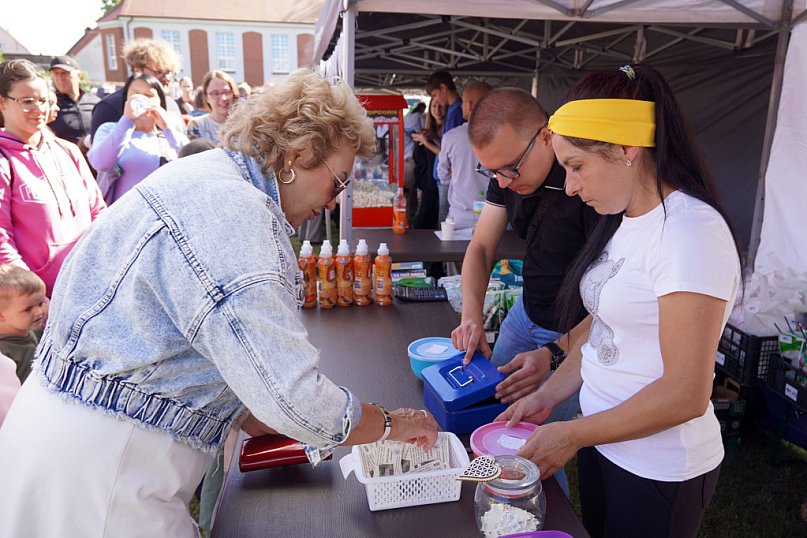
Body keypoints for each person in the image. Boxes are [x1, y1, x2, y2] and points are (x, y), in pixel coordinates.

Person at [0, 69, 439, 537]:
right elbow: (296, 399)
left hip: (68, 441)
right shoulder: (236, 215)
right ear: (296, 155)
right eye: (338, 182)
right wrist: (393, 423)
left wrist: (251, 410)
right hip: (106, 474)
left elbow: (186, 340)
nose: (335, 202)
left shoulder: (206, 176)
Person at [497, 65, 742, 538]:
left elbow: (686, 393)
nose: (568, 186)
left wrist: (569, 435)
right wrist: (548, 395)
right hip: (605, 443)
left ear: (628, 149)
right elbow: (605, 327)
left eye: (576, 166)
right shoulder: (628, 219)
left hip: (659, 468)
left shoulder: (690, 233)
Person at [0, 59, 107, 297]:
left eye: (42, 100)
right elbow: (1, 239)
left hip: (88, 289)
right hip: (36, 304)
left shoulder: (68, 151)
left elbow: (98, 212)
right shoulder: (4, 160)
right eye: (27, 101)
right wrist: (31, 296)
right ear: (2, 103)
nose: (38, 109)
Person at [89, 73, 188, 204]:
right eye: (135, 95)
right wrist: (127, 121)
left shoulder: (170, 134)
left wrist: (167, 127)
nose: (142, 100)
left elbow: (191, 160)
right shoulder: (109, 129)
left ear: (161, 102)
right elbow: (101, 163)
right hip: (124, 215)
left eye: (149, 96)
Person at [90, 38, 186, 139]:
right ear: (137, 69)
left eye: (169, 72)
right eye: (159, 71)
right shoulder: (109, 107)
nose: (167, 78)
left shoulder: (171, 103)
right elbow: (99, 151)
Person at [436, 81, 492, 229]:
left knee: (455, 252)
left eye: (463, 102)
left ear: (471, 105)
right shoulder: (503, 138)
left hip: (459, 215)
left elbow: (442, 174)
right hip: (494, 215)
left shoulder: (451, 137)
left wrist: (454, 178)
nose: (461, 106)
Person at [426, 70, 464, 223]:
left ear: (443, 88)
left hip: (448, 178)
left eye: (435, 95)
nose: (436, 100)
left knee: (445, 223)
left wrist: (427, 142)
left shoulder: (456, 112)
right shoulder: (453, 110)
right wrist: (434, 138)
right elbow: (448, 146)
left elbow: (447, 153)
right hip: (445, 177)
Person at [0, 265, 47, 383]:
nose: (39, 312)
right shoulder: (4, 354)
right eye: (28, 309)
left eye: (41, 304)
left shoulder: (30, 329)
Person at [47, 55, 99, 148]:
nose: (60, 78)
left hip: (96, 159)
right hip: (66, 159)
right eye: (56, 74)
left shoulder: (95, 102)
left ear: (78, 75)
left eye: (64, 73)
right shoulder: (50, 106)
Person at [411, 98, 445, 229]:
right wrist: (420, 186)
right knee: (424, 222)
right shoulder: (426, 132)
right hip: (429, 186)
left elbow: (447, 154)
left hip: (445, 185)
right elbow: (419, 162)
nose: (437, 110)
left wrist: (428, 141)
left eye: (441, 106)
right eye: (434, 106)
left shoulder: (448, 131)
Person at [187, 70, 238, 145]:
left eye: (227, 92)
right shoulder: (197, 126)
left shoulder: (245, 125)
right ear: (206, 97)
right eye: (215, 93)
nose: (223, 98)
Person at [403, 101, 426, 222]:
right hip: (410, 160)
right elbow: (424, 132)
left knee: (407, 194)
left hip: (405, 160)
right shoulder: (419, 117)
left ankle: (408, 219)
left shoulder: (408, 117)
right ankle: (409, 220)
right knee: (410, 194)